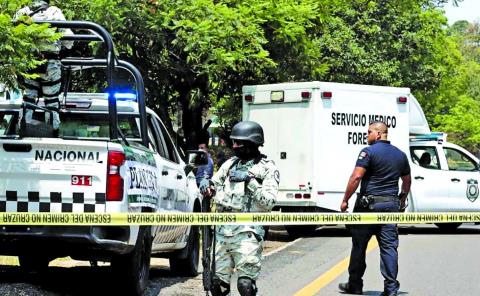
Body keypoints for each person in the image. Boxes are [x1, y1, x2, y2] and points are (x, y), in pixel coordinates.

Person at [199, 121, 279, 296]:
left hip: (248, 234)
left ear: (251, 143)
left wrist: (249, 182)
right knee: (217, 286)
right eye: (233, 142)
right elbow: (215, 184)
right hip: (222, 233)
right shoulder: (230, 164)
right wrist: (207, 185)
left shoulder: (267, 168)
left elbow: (269, 202)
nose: (234, 146)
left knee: (245, 285)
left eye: (238, 143)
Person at [339, 121, 411, 296]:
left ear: (378, 134)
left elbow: (356, 177)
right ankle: (391, 289)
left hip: (368, 207)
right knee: (389, 247)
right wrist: (402, 197)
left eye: (369, 132)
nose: (366, 135)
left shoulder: (368, 152)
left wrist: (345, 200)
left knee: (359, 245)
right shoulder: (400, 155)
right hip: (391, 206)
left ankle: (355, 285)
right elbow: (407, 180)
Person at [14, 0, 73, 133]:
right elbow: (69, 40)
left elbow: (14, 41)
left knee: (28, 99)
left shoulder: (22, 12)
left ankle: (23, 130)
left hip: (29, 64)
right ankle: (52, 133)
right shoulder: (54, 12)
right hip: (50, 65)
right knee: (52, 102)